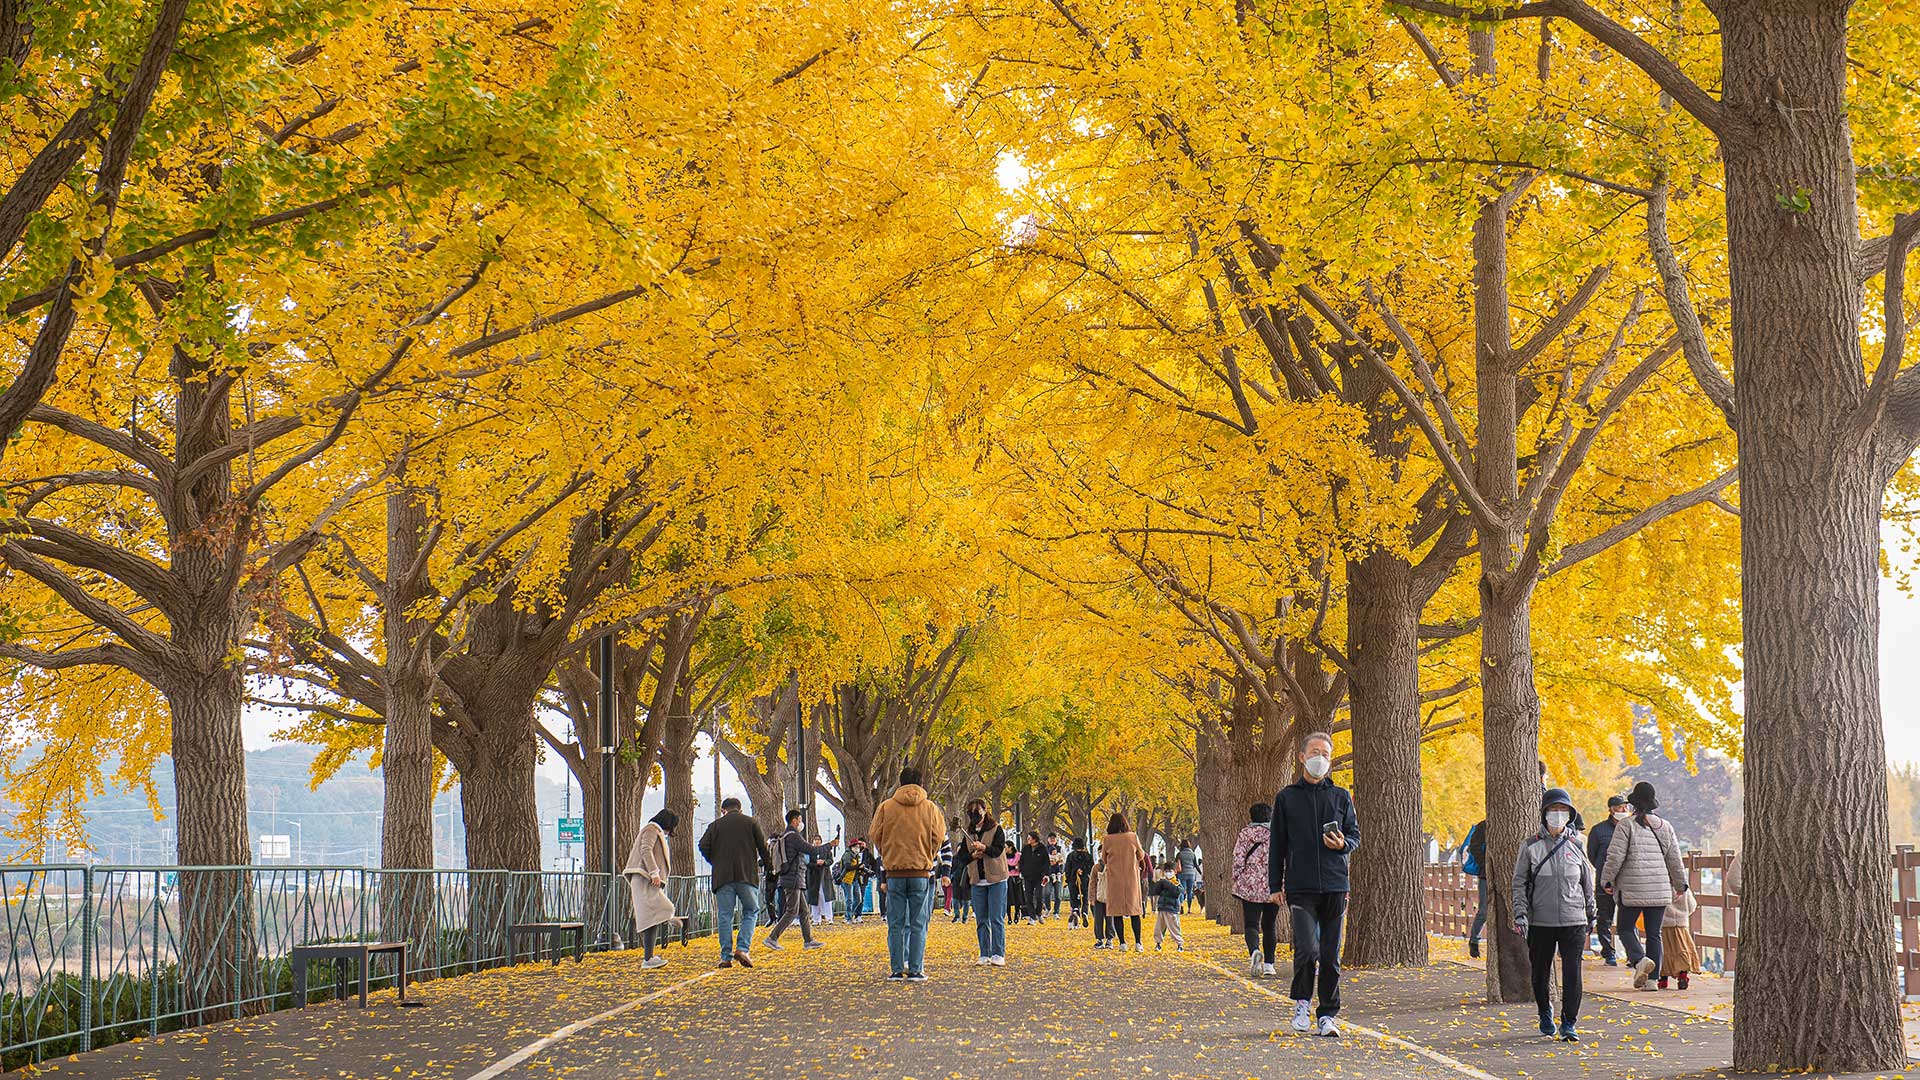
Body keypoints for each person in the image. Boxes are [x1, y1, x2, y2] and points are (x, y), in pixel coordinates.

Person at [1268, 731, 1359, 1038]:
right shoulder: (1286, 798)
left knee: (1331, 956)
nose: (1321, 759)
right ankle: (1302, 1004)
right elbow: (1277, 845)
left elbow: (1354, 836)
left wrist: (1342, 844)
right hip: (1300, 886)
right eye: (1316, 752)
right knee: (1307, 949)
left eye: (1326, 754)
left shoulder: (1341, 796)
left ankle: (1328, 1015)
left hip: (1335, 885)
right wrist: (1274, 884)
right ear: (1302, 757)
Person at [1513, 788, 1595, 1043]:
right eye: (1553, 810)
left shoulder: (1577, 845)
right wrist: (1520, 914)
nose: (1558, 816)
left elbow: (1586, 881)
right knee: (1540, 973)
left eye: (1563, 811)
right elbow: (1519, 882)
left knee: (1573, 973)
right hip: (1541, 921)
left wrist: (1591, 913)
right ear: (1544, 814)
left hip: (1574, 920)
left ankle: (1569, 1022)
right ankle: (1545, 1011)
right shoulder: (1530, 846)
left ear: (1570, 815)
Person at [1600, 780, 1688, 990]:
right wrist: (1680, 884)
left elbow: (1615, 857)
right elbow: (1674, 858)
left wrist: (1606, 879)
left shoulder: (1626, 825)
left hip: (1632, 888)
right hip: (1659, 889)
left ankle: (1640, 960)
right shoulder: (1665, 826)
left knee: (1625, 928)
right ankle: (1652, 981)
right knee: (1654, 933)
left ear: (1634, 804)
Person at [870, 766, 947, 982]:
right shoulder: (930, 808)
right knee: (918, 923)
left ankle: (896, 969)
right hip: (920, 872)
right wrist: (928, 855)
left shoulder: (886, 807)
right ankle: (915, 969)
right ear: (921, 783)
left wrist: (887, 852)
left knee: (895, 923)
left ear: (900, 782)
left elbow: (875, 834)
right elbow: (939, 836)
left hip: (894, 873)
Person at [698, 796, 774, 969]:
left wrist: (715, 861)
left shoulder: (715, 826)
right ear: (740, 809)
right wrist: (770, 868)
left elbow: (703, 845)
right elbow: (763, 847)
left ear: (723, 811)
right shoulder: (751, 822)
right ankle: (742, 948)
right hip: (746, 874)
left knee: (725, 915)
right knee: (751, 910)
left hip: (722, 877)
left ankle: (726, 957)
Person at [765, 809, 836, 951]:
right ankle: (772, 938)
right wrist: (830, 845)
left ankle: (808, 940)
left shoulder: (786, 836)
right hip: (793, 878)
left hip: (792, 878)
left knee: (804, 911)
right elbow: (812, 850)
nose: (801, 823)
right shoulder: (793, 836)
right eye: (800, 820)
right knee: (792, 910)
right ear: (794, 820)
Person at [624, 808, 681, 970]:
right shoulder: (651, 830)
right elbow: (646, 850)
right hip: (645, 878)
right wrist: (654, 872)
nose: (669, 832)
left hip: (646, 879)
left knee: (651, 917)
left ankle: (648, 958)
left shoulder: (653, 830)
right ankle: (668, 917)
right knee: (658, 910)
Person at [1232, 802, 1278, 979]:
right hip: (1271, 885)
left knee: (1251, 924)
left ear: (1251, 817)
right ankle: (1269, 965)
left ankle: (1254, 951)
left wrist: (1237, 878)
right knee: (1269, 925)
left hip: (1249, 885)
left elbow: (1238, 858)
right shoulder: (1276, 835)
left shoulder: (1245, 833)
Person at [962, 798, 1010, 965]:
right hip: (977, 880)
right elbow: (962, 856)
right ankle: (984, 953)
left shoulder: (996, 829)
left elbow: (998, 850)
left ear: (985, 811)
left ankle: (998, 953)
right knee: (981, 919)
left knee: (996, 917)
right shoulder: (968, 832)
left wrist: (984, 848)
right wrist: (972, 856)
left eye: (977, 812)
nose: (974, 816)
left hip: (997, 879)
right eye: (971, 813)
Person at [1585, 795, 1629, 965]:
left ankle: (1633, 955)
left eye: (1625, 807)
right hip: (1605, 880)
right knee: (1604, 918)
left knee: (1629, 918)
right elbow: (1592, 855)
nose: (1623, 810)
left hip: (1627, 881)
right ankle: (1608, 953)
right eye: (1619, 807)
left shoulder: (1631, 828)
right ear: (1611, 809)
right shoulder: (1598, 830)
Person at [1099, 813, 1152, 952]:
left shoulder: (1107, 839)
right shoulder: (1132, 837)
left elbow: (1103, 858)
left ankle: (1122, 943)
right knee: (1134, 911)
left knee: (1117, 912)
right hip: (1131, 879)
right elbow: (1141, 855)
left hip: (1114, 880)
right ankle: (1138, 943)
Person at [1659, 886, 1699, 990]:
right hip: (1681, 925)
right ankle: (1683, 976)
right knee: (1682, 950)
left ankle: (1663, 979)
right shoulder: (1683, 887)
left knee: (1664, 951)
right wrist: (1683, 914)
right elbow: (1692, 905)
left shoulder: (1661, 885)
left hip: (1664, 924)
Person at [1461, 818, 1488, 959]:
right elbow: (1474, 847)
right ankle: (1474, 940)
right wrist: (1485, 863)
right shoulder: (1483, 826)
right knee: (1484, 910)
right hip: (1486, 875)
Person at [1150, 860, 1185, 950]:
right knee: (1159, 928)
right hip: (1162, 908)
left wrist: (1167, 884)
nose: (1168, 873)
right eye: (1166, 871)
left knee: (1174, 927)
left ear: (1175, 872)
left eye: (1170, 871)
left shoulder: (1176, 882)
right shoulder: (1162, 882)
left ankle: (1179, 944)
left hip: (1172, 909)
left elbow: (1177, 892)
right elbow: (1155, 891)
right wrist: (1159, 884)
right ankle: (1158, 943)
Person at [839, 840, 872, 924]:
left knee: (858, 899)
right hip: (846, 879)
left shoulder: (856, 856)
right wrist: (858, 866)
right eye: (856, 847)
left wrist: (862, 870)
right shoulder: (847, 854)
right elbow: (847, 866)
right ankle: (848, 918)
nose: (858, 848)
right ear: (852, 847)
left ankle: (849, 914)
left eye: (858, 847)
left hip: (855, 879)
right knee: (849, 899)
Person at [1019, 832, 1050, 924]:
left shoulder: (1042, 848)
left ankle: (1038, 913)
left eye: (1029, 838)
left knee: (1038, 896)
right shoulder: (1025, 849)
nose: (1028, 839)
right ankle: (1032, 917)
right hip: (1027, 877)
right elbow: (1022, 861)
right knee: (1028, 897)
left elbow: (1046, 862)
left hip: (1039, 877)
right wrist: (1022, 871)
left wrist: (1046, 874)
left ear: (1034, 839)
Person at [1065, 837, 1093, 929]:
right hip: (1084, 880)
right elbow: (1091, 868)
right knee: (1085, 898)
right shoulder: (1088, 856)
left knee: (1074, 898)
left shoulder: (1070, 856)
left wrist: (1068, 880)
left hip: (1073, 880)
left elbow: (1067, 869)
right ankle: (1084, 912)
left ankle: (1075, 911)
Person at [808, 833, 835, 927]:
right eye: (815, 840)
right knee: (815, 898)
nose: (817, 841)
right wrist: (816, 863)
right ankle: (816, 918)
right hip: (814, 877)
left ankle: (829, 917)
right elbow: (808, 863)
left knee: (826, 897)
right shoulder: (810, 851)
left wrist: (824, 862)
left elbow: (831, 860)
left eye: (818, 840)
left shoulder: (826, 850)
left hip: (825, 876)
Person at [949, 818, 972, 923]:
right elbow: (951, 868)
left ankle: (965, 917)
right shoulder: (954, 858)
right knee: (955, 899)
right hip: (956, 880)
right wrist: (951, 877)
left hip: (966, 881)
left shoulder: (968, 857)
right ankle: (957, 915)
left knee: (967, 900)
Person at [1176, 839, 1201, 914]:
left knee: (1182, 891)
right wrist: (1201, 873)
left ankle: (1181, 905)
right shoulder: (1192, 854)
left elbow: (1177, 864)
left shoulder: (1179, 854)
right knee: (1189, 892)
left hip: (1182, 874)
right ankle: (1189, 909)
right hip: (1191, 874)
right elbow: (1196, 865)